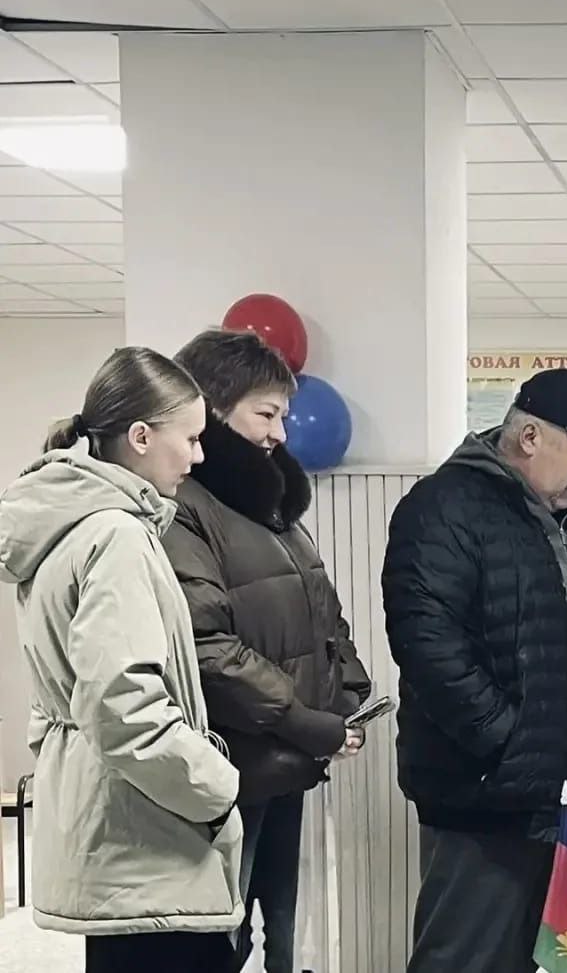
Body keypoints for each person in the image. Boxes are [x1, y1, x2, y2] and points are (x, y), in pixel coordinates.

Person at [0, 347, 242, 972]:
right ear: (140, 437)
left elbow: (71, 703)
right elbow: (122, 710)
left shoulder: (71, 527)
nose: (198, 456)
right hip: (146, 842)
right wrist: (216, 788)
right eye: (190, 438)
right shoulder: (116, 537)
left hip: (114, 832)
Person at [383, 368, 567, 973]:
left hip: (548, 794)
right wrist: (512, 744)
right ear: (529, 437)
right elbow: (428, 648)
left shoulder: (564, 520)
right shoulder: (444, 507)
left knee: (523, 959)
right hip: (484, 796)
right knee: (464, 961)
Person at [161, 329, 371, 973]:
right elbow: (208, 646)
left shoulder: (269, 504)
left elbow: (321, 610)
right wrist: (303, 719)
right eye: (267, 414)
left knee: (280, 929)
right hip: (234, 765)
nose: (281, 433)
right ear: (213, 411)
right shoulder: (185, 508)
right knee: (223, 936)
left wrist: (347, 693)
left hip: (286, 756)